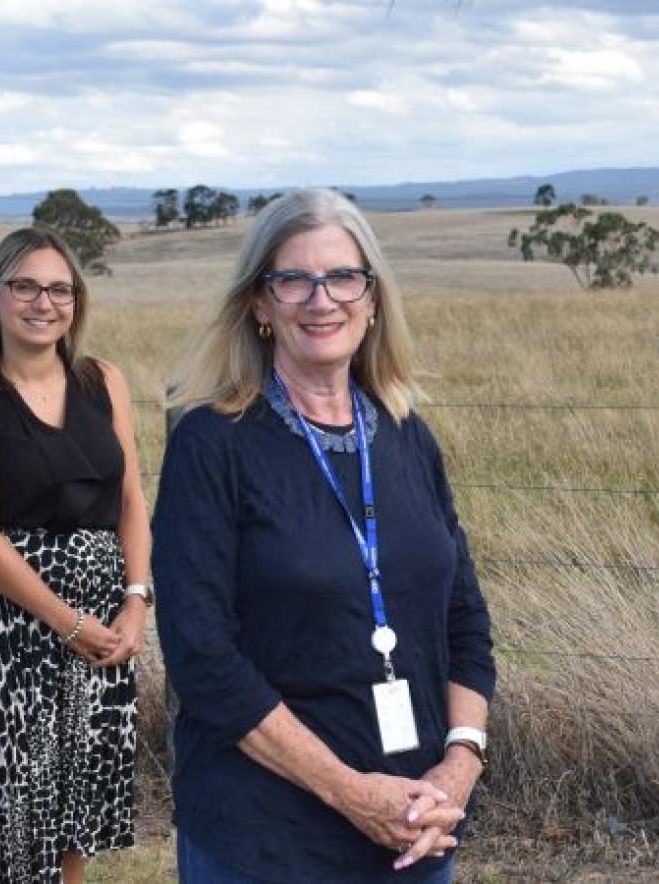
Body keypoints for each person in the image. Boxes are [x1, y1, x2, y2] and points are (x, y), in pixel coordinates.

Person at [153, 188, 495, 882]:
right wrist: (348, 791)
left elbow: (465, 619)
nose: (321, 299)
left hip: (413, 829)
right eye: (293, 279)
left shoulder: (406, 438)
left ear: (372, 299)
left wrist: (459, 766)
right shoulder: (212, 443)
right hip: (265, 838)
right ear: (259, 303)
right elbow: (201, 657)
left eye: (343, 276)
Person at [0, 228, 150, 883]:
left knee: (71, 813)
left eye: (59, 289)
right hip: (2, 627)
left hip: (100, 626)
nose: (42, 302)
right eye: (25, 286)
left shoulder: (105, 382)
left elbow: (131, 498)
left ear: (76, 300)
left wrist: (135, 602)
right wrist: (65, 621)